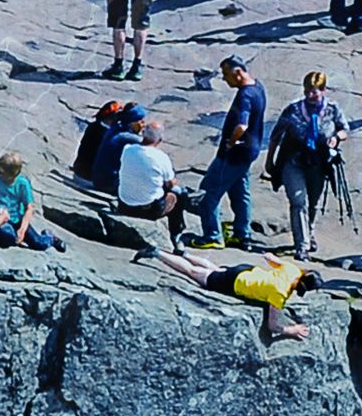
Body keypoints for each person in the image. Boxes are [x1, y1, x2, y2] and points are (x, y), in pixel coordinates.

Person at [136, 247, 322, 341]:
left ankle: (184, 253)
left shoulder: (293, 269)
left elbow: (270, 258)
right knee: (193, 273)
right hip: (236, 283)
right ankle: (157, 253)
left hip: (247, 271)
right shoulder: (279, 295)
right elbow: (273, 326)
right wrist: (291, 330)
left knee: (215, 269)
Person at [265, 71, 349, 261]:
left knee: (313, 203)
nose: (310, 96)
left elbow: (345, 129)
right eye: (307, 91)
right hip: (293, 161)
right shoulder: (293, 110)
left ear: (324, 90)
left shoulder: (333, 109)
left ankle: (309, 232)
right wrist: (269, 161)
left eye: (315, 92)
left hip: (318, 163)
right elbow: (276, 136)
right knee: (298, 201)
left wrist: (336, 138)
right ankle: (301, 245)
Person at [192, 55, 266, 250]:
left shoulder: (245, 96)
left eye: (226, 75)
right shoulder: (258, 87)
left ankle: (212, 235)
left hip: (234, 155)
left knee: (208, 192)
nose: (224, 79)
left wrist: (231, 142)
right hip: (250, 151)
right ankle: (243, 235)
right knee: (240, 192)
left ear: (238, 73)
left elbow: (242, 125)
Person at [116, 123, 189, 247]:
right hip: (148, 210)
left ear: (143, 134)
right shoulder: (161, 157)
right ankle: (176, 233)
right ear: (160, 139)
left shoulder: (127, 149)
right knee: (179, 193)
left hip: (124, 205)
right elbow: (170, 183)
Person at [0, 152, 64, 251]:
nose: (0, 174)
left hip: (18, 220)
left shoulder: (22, 184)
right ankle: (10, 236)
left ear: (14, 174)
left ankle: (49, 238)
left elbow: (29, 208)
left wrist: (23, 229)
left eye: (3, 173)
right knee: (7, 236)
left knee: (38, 243)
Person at [91, 103, 147, 195]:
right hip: (109, 183)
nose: (143, 124)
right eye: (140, 121)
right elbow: (149, 145)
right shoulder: (126, 137)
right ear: (131, 122)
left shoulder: (116, 127)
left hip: (99, 179)